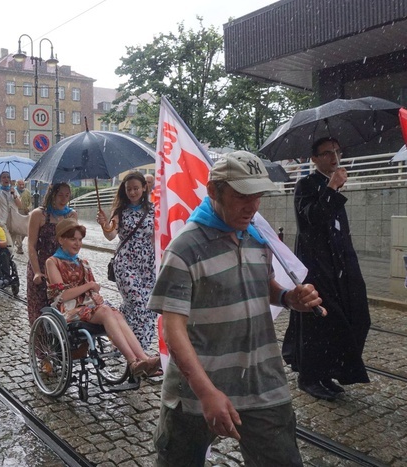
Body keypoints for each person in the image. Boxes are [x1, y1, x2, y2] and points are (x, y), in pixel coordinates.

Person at [148, 150, 325, 467]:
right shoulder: (185, 248)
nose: (253, 205)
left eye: (258, 195)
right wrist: (206, 393)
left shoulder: (256, 236)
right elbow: (172, 330)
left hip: (262, 385)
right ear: (213, 191)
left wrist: (287, 298)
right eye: (243, 195)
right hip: (194, 395)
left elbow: (263, 285)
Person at [282, 137, 371, 401]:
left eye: (337, 152)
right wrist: (331, 188)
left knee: (358, 315)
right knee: (320, 319)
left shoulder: (332, 183)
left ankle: (331, 369)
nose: (334, 157)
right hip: (316, 264)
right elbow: (313, 220)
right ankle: (310, 376)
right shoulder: (306, 185)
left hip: (342, 261)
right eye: (328, 153)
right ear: (314, 158)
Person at [46, 218, 161, 377]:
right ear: (61, 240)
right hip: (67, 310)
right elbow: (61, 295)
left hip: (88, 308)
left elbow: (93, 290)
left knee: (116, 313)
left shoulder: (83, 263)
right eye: (72, 239)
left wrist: (96, 296)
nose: (77, 243)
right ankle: (132, 361)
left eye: (80, 239)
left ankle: (143, 359)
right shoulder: (52, 262)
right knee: (107, 311)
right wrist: (89, 287)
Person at [96, 172, 158, 358]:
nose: (132, 192)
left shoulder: (154, 210)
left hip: (148, 266)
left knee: (148, 307)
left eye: (136, 188)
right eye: (128, 189)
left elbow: (156, 238)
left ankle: (117, 328)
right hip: (125, 265)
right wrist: (103, 224)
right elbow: (111, 235)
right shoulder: (120, 212)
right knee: (140, 305)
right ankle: (141, 354)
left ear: (144, 188)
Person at [26, 182, 77, 326]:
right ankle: (39, 345)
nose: (64, 199)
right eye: (60, 195)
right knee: (39, 311)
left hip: (62, 268)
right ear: (52, 195)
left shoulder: (71, 215)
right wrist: (36, 271)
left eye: (67, 195)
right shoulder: (38, 214)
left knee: (64, 311)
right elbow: (31, 245)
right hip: (41, 267)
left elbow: (75, 243)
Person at [14, 179, 32, 254]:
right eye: (20, 184)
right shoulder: (14, 192)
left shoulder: (27, 192)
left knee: (25, 230)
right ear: (16, 184)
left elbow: (30, 202)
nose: (21, 186)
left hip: (25, 212)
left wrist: (29, 208)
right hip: (17, 212)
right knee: (18, 230)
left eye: (23, 184)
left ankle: (18, 242)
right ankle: (19, 246)